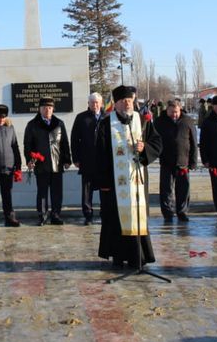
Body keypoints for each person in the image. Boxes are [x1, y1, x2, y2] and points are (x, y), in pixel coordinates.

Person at [94, 85, 162, 269]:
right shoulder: (106, 124)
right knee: (116, 219)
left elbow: (156, 142)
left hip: (137, 181)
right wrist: (103, 182)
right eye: (123, 101)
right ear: (115, 104)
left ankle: (138, 257)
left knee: (138, 216)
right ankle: (119, 256)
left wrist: (144, 149)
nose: (127, 104)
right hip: (115, 184)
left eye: (130, 101)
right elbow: (99, 154)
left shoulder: (142, 120)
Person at [23, 97, 72, 225]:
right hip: (41, 164)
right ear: (39, 109)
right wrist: (29, 159)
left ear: (53, 109)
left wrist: (67, 159)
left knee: (57, 192)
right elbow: (27, 144)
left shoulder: (59, 123)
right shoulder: (32, 125)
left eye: (50, 108)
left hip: (57, 163)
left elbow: (65, 143)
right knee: (42, 192)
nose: (47, 110)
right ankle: (43, 215)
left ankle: (55, 215)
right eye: (44, 108)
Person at [155, 99, 197, 222]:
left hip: (183, 162)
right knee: (166, 189)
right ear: (167, 110)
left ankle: (182, 212)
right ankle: (168, 213)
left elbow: (193, 142)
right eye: (172, 112)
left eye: (176, 112)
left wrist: (193, 161)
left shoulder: (187, 121)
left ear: (180, 110)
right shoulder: (159, 122)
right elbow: (154, 141)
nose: (174, 114)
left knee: (183, 189)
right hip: (166, 161)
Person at [70, 92, 104, 224]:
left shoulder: (106, 117)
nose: (94, 105)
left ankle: (104, 213)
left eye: (97, 102)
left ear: (101, 104)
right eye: (92, 102)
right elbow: (74, 139)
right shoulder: (81, 118)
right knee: (86, 190)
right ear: (88, 103)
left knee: (104, 189)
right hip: (87, 159)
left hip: (103, 161)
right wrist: (76, 158)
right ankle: (88, 214)